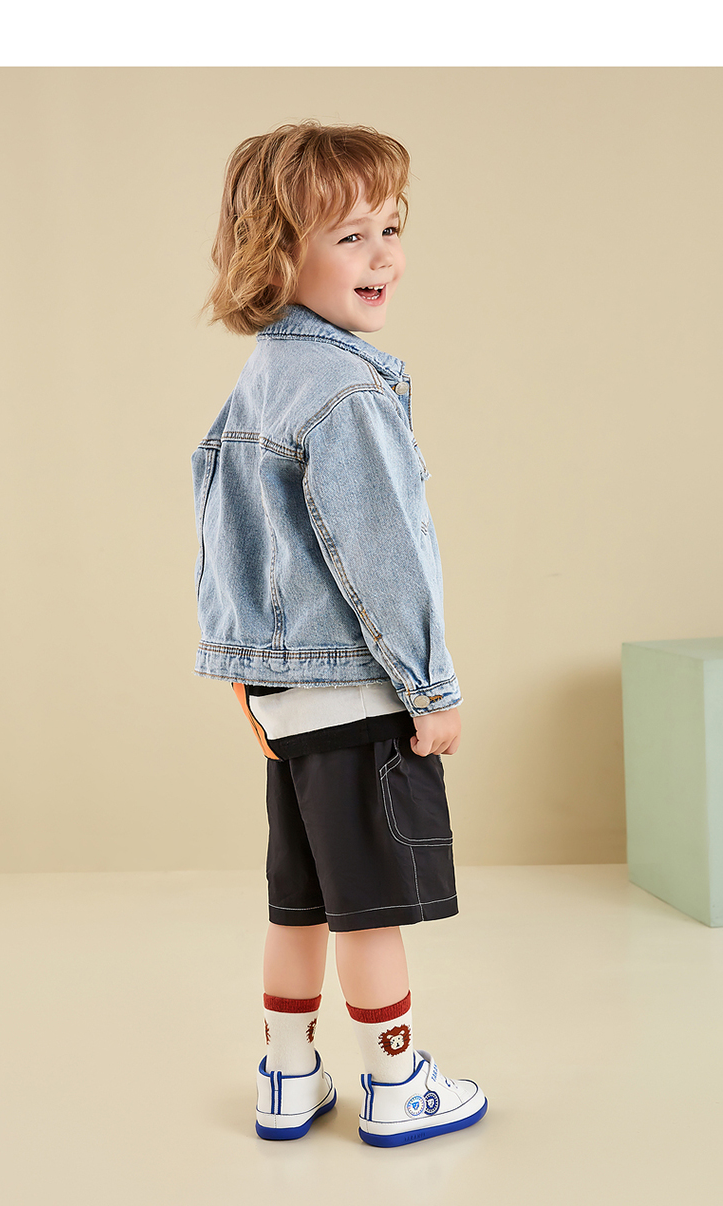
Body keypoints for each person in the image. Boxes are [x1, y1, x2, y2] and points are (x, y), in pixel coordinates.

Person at [192, 121, 487, 1147]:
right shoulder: (348, 392)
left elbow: (229, 549)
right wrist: (431, 688)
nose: (383, 256)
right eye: (351, 236)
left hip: (288, 702)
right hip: (360, 696)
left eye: (391, 229)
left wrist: (248, 679)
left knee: (301, 901)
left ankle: (287, 1075)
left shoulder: (259, 384)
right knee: (369, 908)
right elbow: (384, 557)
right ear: (277, 255)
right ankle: (397, 1086)